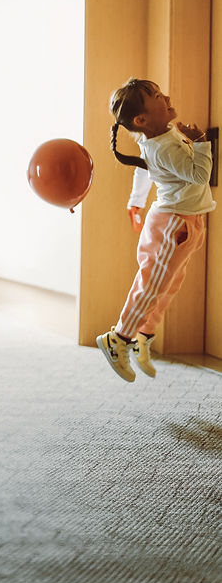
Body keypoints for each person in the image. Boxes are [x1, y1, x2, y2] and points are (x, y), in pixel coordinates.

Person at [97, 78, 214, 382]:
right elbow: (199, 175)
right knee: (151, 285)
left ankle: (142, 337)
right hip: (173, 225)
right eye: (159, 97)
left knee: (168, 285)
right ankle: (119, 338)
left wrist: (135, 201)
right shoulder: (161, 146)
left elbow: (142, 169)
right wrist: (202, 141)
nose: (168, 97)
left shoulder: (159, 136)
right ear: (142, 119)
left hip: (186, 220)